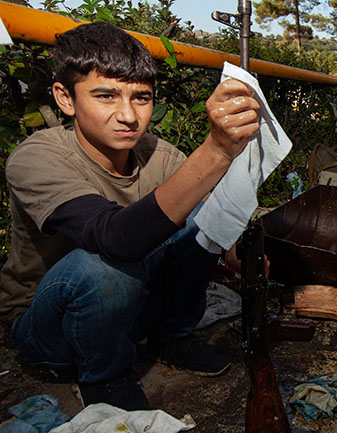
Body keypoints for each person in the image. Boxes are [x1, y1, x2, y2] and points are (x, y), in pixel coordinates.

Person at [0, 22, 261, 410]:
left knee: (203, 219)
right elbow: (116, 239)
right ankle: (104, 376)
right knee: (104, 264)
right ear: (65, 98)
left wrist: (240, 252)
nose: (128, 115)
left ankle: (170, 338)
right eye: (105, 96)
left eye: (141, 98)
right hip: (48, 328)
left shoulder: (159, 153)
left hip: (129, 309)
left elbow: (209, 215)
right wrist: (217, 151)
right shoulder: (37, 158)